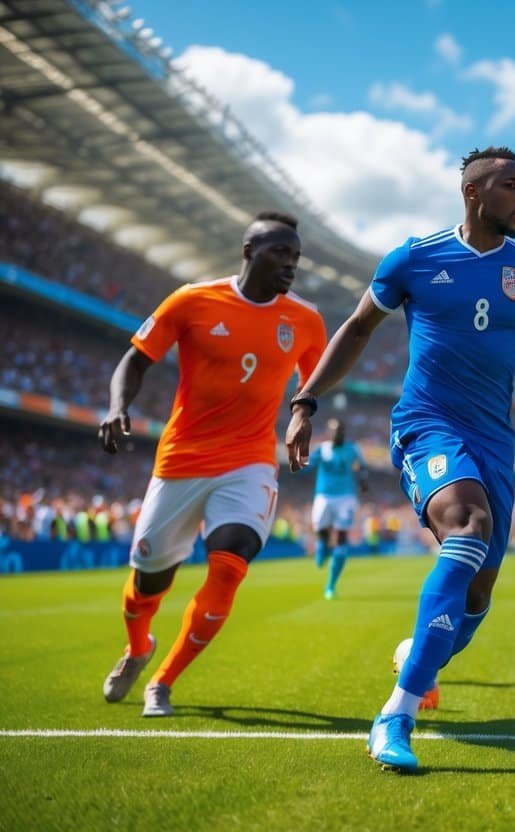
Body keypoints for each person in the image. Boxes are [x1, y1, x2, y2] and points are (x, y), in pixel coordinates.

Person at [284, 147, 515, 772]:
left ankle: (419, 659)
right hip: (427, 425)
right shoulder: (416, 258)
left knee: (478, 593)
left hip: (493, 439)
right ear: (474, 192)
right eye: (513, 185)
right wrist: (305, 400)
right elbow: (354, 328)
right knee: (468, 529)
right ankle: (395, 714)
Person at [98, 211, 326, 717]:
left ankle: (163, 680)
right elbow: (135, 359)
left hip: (248, 461)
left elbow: (315, 380)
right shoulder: (192, 301)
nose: (290, 264)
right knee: (147, 584)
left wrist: (300, 415)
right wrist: (118, 407)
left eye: (295, 256)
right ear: (248, 252)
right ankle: (138, 648)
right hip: (181, 459)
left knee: (230, 563)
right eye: (279, 253)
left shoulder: (305, 320)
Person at [310, 417, 369, 599]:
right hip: (324, 496)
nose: (337, 435)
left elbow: (362, 467)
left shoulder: (352, 448)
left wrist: (363, 480)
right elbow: (308, 464)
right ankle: (322, 546)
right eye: (334, 431)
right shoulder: (322, 449)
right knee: (321, 531)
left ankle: (331, 585)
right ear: (328, 433)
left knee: (341, 536)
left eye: (340, 431)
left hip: (346, 497)